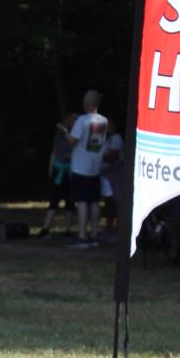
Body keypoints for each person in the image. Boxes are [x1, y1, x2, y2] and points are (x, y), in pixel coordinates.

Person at [62, 89, 108, 248]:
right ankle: (94, 234)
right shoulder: (104, 121)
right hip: (95, 166)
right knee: (94, 201)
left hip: (80, 167)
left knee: (81, 202)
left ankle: (82, 235)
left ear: (87, 103)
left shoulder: (82, 120)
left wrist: (66, 132)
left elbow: (73, 141)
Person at [37, 112, 77, 237]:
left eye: (74, 120)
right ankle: (45, 229)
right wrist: (51, 166)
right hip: (58, 169)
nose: (72, 122)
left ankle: (68, 230)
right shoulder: (59, 135)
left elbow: (77, 148)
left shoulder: (76, 135)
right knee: (54, 199)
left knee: (70, 201)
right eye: (71, 120)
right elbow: (54, 151)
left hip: (70, 171)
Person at [100, 117, 124, 239]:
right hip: (106, 175)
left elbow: (112, 156)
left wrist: (96, 156)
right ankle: (109, 229)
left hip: (115, 175)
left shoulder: (116, 138)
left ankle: (119, 231)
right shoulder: (105, 139)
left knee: (117, 203)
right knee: (108, 203)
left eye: (109, 125)